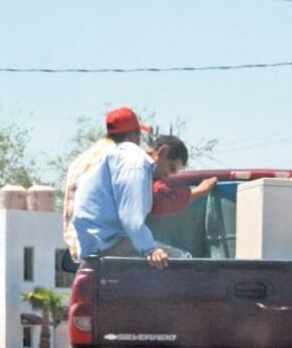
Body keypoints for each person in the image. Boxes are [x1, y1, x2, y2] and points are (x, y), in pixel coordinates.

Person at [62, 107, 216, 262]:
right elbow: (132, 218)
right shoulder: (135, 162)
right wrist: (150, 249)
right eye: (171, 169)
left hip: (89, 244)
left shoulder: (100, 156)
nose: (167, 176)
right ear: (162, 152)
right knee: (182, 260)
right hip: (106, 244)